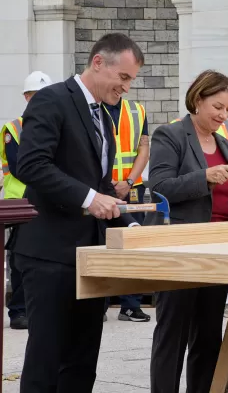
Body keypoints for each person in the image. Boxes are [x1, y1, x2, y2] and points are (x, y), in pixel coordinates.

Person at [14, 33, 142, 393]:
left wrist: (128, 222)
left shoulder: (102, 114)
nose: (127, 88)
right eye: (124, 78)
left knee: (82, 360)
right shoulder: (51, 100)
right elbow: (32, 164)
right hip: (49, 254)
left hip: (89, 256)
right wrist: (88, 198)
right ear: (99, 62)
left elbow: (99, 183)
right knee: (46, 358)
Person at [147, 70, 228, 393]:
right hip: (180, 250)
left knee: (208, 337)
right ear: (197, 99)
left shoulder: (226, 145)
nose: (223, 115)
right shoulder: (171, 135)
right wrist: (203, 178)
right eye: (217, 107)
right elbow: (160, 187)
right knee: (173, 335)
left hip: (218, 252)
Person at [1, 70, 52, 330]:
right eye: (35, 96)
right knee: (21, 260)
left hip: (48, 201)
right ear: (26, 97)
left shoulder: (56, 126)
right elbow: (21, 168)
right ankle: (19, 311)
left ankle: (39, 309)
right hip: (21, 203)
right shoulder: (14, 129)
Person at [102, 97, 151, 322]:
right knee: (98, 245)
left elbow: (144, 148)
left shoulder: (136, 111)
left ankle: (131, 306)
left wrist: (128, 182)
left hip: (131, 189)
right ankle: (97, 305)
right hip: (100, 190)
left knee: (133, 245)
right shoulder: (91, 107)